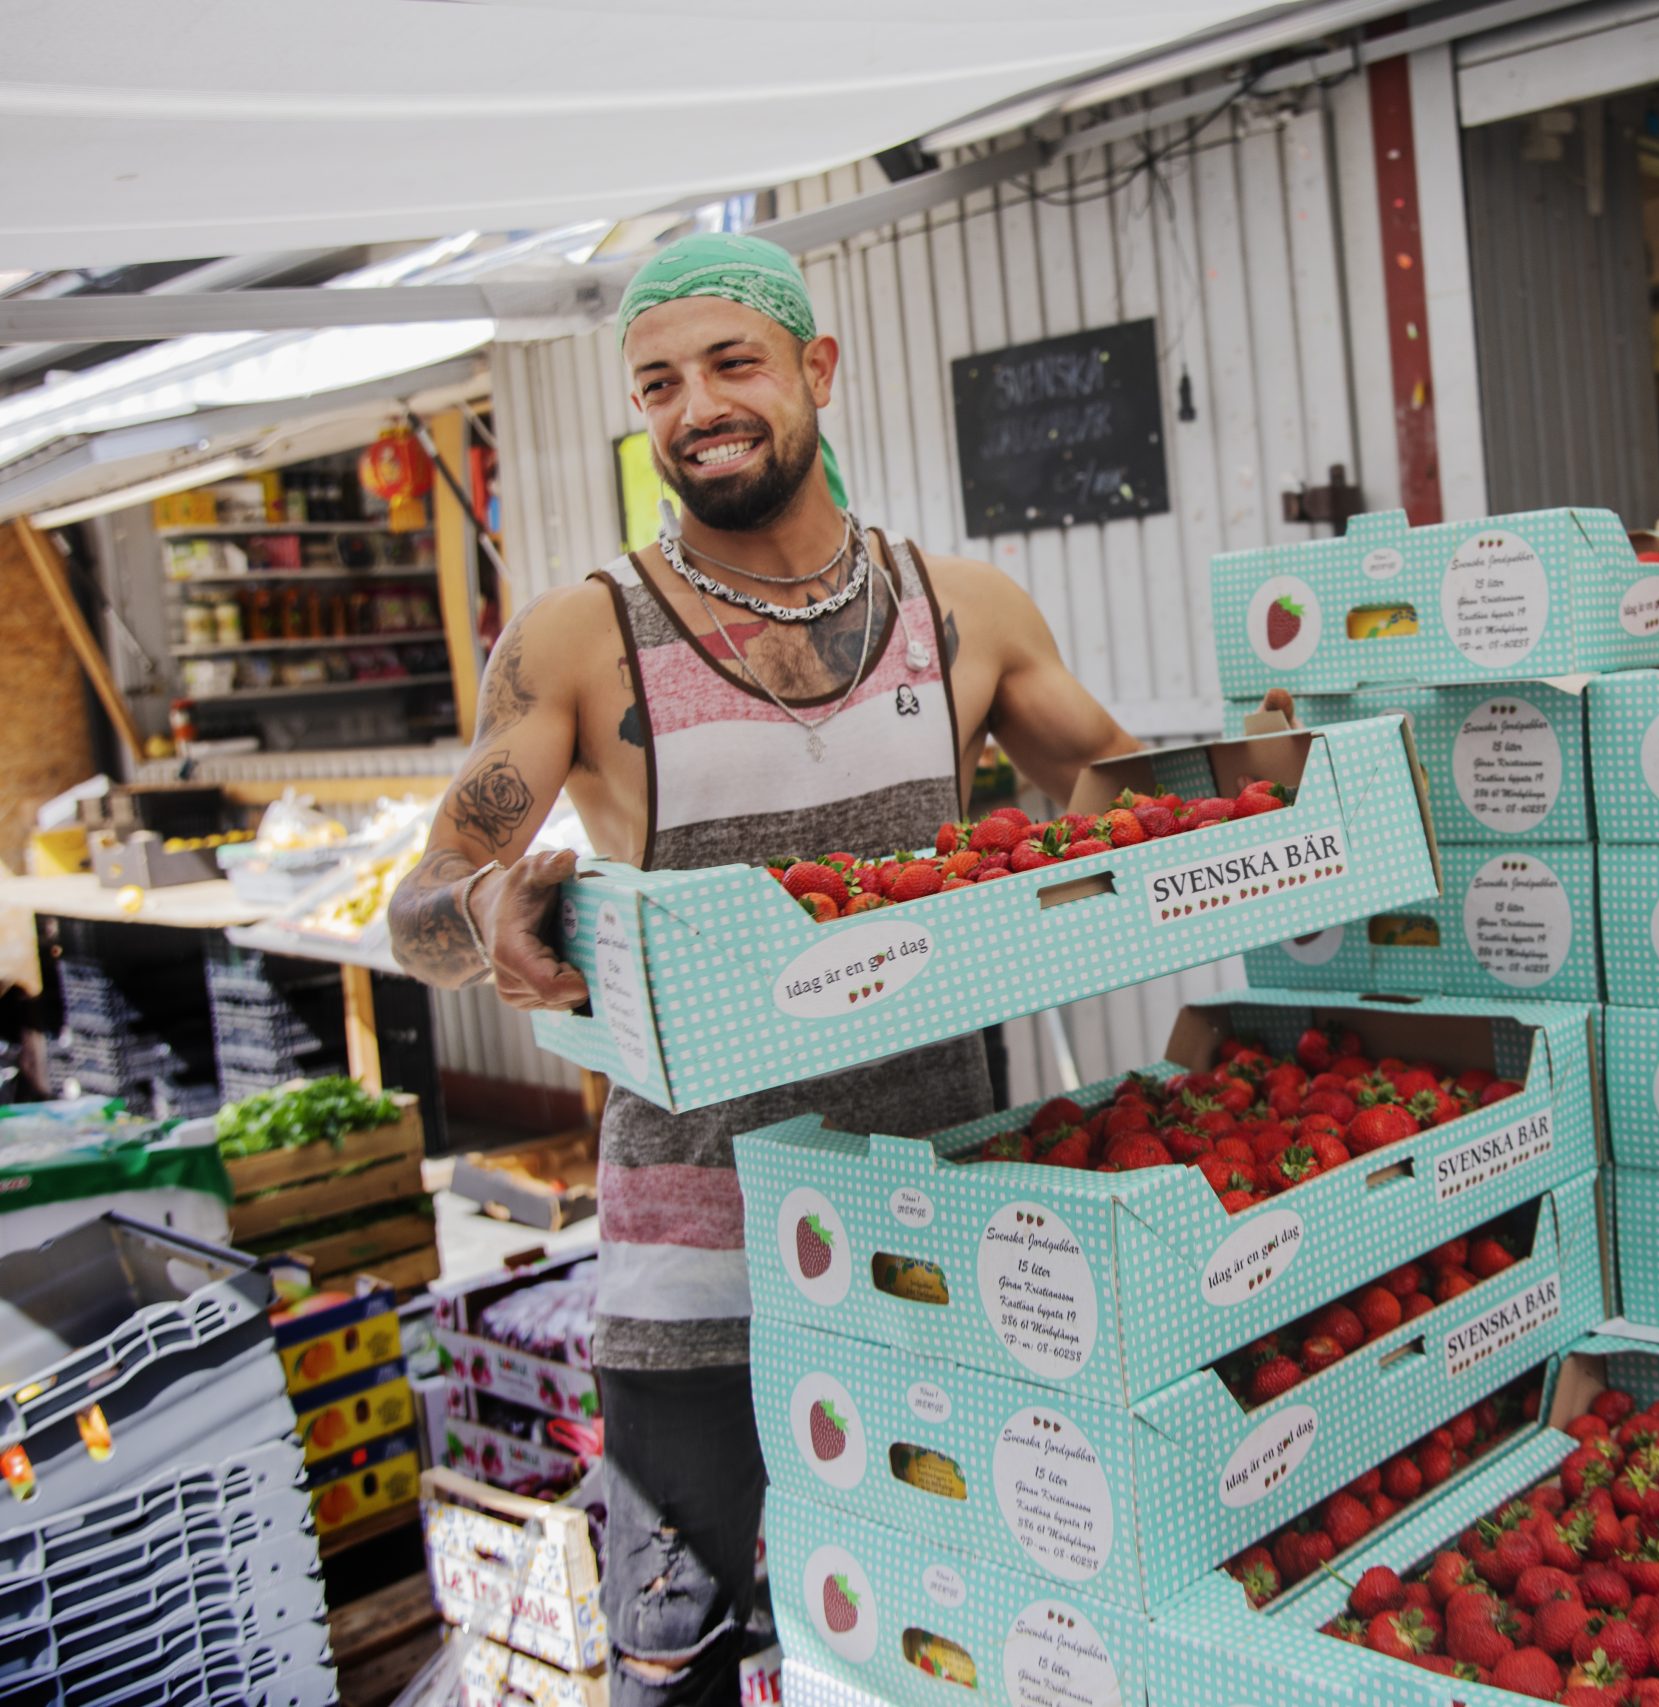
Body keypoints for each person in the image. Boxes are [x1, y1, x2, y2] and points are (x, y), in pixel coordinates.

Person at [386, 233, 1155, 1705]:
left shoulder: (962, 611)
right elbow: (417, 903)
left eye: (732, 362)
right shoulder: (582, 636)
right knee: (679, 1657)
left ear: (816, 368)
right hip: (695, 1252)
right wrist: (489, 911)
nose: (695, 407)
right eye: (658, 383)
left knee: (950, 1635)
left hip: (939, 1217)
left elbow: (1140, 802)